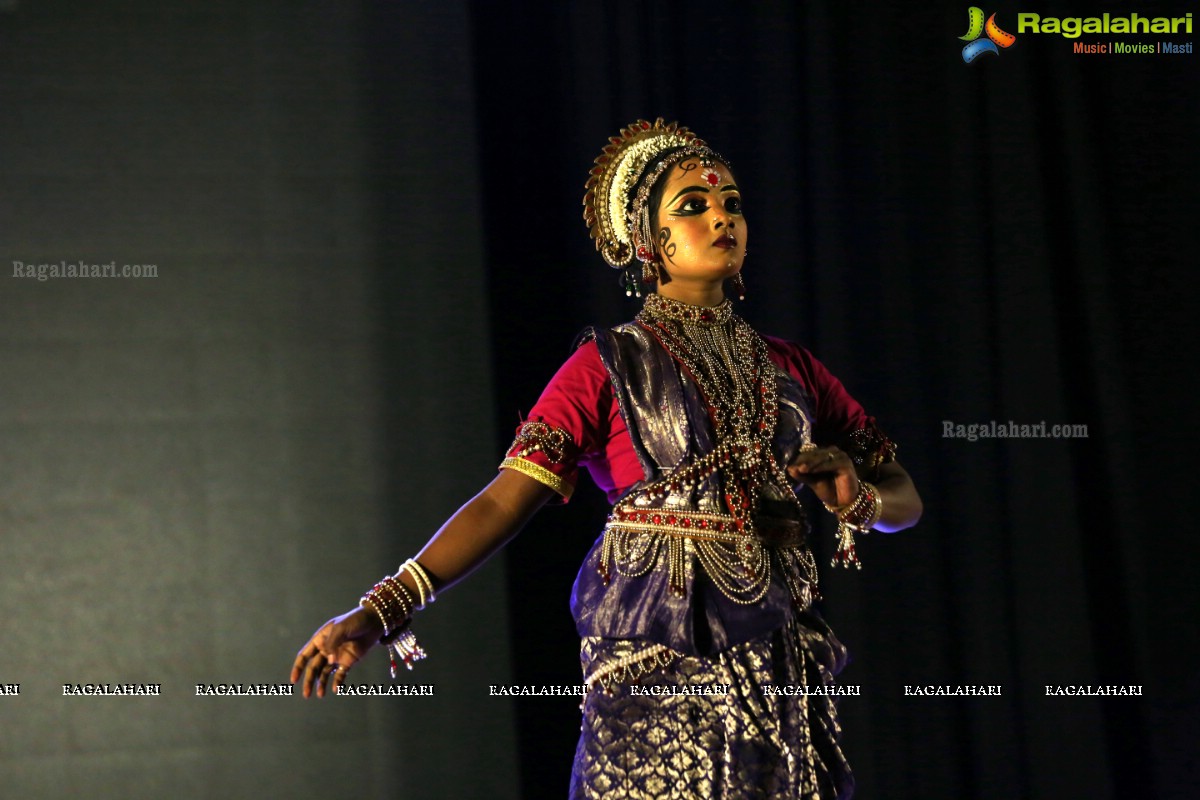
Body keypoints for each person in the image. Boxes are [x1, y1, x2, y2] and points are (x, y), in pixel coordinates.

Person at [291, 118, 922, 799]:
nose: (722, 217)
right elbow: (505, 501)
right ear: (647, 241)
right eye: (694, 207)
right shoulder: (606, 365)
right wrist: (384, 606)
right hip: (654, 651)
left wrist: (862, 501)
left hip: (775, 658)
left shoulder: (793, 367)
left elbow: (901, 497)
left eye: (733, 204)